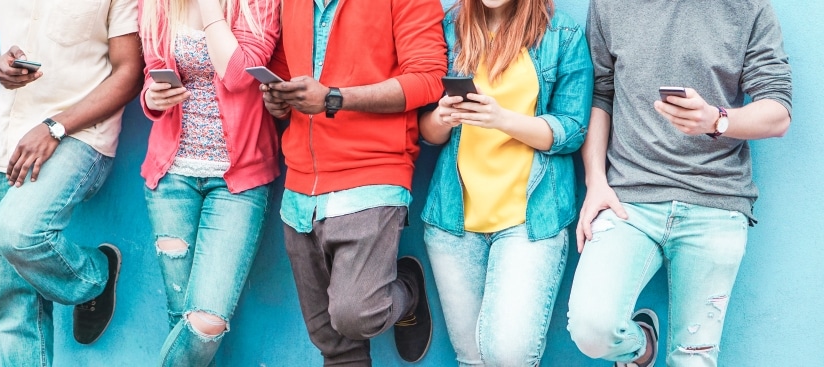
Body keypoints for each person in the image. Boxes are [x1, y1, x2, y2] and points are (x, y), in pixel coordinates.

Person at [566, 0, 792, 366]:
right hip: (629, 201)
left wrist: (716, 120)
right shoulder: (609, 4)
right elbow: (600, 94)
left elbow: (778, 111)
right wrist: (595, 181)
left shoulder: (749, 7)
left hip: (716, 201)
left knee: (693, 359)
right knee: (593, 328)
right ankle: (641, 350)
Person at [259, 0, 447, 364]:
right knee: (332, 343)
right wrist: (278, 98)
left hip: (372, 175)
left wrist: (333, 98)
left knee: (357, 314)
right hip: (300, 190)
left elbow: (428, 79)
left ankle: (406, 284)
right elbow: (285, 69)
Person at [0, 0, 142, 365]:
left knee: (16, 232)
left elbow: (129, 72)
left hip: (82, 132)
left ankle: (94, 278)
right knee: (13, 301)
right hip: (11, 136)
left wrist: (55, 127)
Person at [419, 0, 592, 365]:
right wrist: (442, 117)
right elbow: (425, 133)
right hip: (453, 220)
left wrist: (501, 119)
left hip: (530, 221)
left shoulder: (561, 34)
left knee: (509, 355)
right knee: (472, 359)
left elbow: (573, 130)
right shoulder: (448, 28)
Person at [137, 0, 280, 365]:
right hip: (171, 178)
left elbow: (236, 75)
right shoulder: (156, 4)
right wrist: (152, 98)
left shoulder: (256, 5)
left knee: (206, 322)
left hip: (238, 182)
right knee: (179, 317)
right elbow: (153, 75)